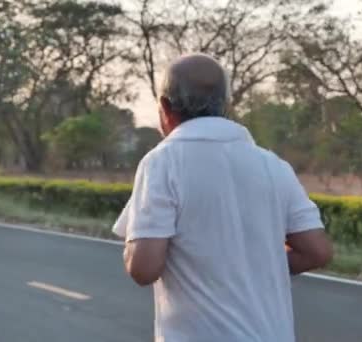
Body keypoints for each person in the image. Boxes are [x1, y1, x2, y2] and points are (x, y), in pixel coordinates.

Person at [113, 53, 333, 342]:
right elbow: (317, 251)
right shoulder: (272, 165)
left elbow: (143, 268)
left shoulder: (162, 163)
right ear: (227, 105)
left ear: (164, 107)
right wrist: (249, 267)